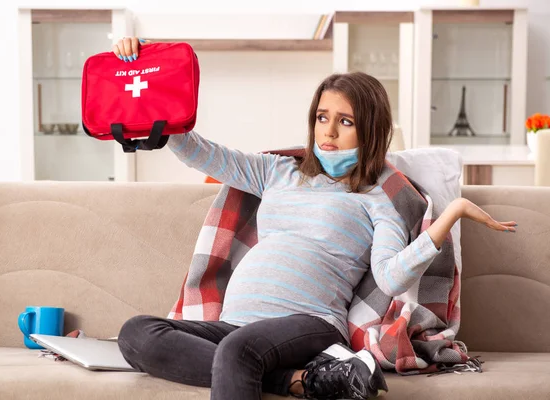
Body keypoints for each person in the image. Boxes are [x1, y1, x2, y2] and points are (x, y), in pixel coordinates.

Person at [112, 37, 517, 400]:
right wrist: (147, 70)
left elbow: (392, 278)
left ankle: (275, 369)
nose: (329, 132)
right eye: (323, 117)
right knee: (136, 334)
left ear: (370, 132)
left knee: (239, 352)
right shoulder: (277, 172)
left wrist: (450, 215)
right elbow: (204, 153)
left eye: (346, 122)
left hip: (309, 323)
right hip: (237, 326)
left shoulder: (374, 201)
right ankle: (298, 381)